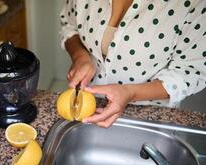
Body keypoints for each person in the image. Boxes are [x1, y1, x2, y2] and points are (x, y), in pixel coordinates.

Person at [60, 0, 206, 127]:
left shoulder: (193, 5)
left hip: (150, 115)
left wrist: (130, 93)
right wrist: (80, 56)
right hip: (88, 107)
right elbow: (69, 25)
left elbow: (191, 72)